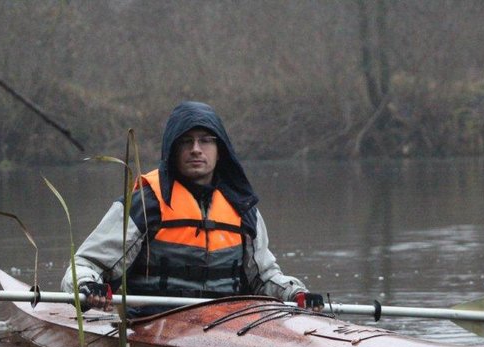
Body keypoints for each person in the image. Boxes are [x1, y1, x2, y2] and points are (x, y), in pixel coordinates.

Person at [62, 101, 323, 315]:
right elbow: (85, 263)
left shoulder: (243, 209)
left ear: (220, 150)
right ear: (173, 150)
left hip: (229, 324)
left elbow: (264, 277)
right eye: (186, 141)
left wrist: (295, 293)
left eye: (205, 141)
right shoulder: (145, 204)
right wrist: (86, 286)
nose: (196, 149)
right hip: (153, 323)